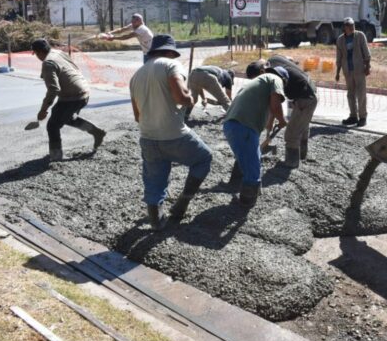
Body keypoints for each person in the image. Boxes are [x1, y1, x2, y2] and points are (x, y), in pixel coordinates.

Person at [129, 34, 213, 230]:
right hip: (174, 134)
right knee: (204, 159)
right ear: (170, 52)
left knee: (155, 177)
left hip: (148, 137)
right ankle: (182, 204)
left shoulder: (136, 76)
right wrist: (190, 99)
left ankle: (156, 219)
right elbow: (181, 96)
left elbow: (136, 115)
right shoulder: (170, 65)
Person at [222, 61, 287, 206]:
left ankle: (242, 188)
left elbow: (270, 113)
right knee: (253, 172)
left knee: (253, 160)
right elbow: (276, 106)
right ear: (283, 79)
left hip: (232, 124)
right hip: (243, 127)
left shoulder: (258, 82)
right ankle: (246, 203)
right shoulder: (276, 79)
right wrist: (282, 120)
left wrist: (271, 127)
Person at [32, 39, 106, 162]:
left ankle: (56, 157)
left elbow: (53, 89)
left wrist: (43, 110)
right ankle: (97, 132)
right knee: (66, 117)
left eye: (35, 54)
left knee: (53, 125)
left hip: (73, 96)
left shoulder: (48, 63)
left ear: (38, 52)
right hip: (83, 90)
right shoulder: (57, 53)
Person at [266, 54, 318, 168]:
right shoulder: (276, 60)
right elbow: (275, 105)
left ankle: (291, 162)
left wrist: (271, 123)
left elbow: (275, 105)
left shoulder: (274, 75)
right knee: (302, 126)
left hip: (305, 97)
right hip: (310, 91)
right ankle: (302, 155)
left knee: (291, 134)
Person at [335, 17, 371, 127]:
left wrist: (367, 66)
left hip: (359, 69)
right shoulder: (340, 40)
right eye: (349, 25)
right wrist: (337, 72)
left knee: (361, 94)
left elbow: (366, 52)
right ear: (344, 27)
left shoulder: (360, 36)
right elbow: (339, 57)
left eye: (353, 24)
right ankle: (353, 116)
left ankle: (363, 117)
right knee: (350, 94)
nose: (352, 27)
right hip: (348, 70)